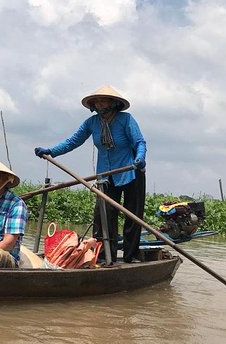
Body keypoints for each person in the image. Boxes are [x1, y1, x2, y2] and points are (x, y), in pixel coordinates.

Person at [34, 85, 146, 264]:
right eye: (97, 101)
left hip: (131, 170)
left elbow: (139, 142)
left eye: (104, 100)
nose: (100, 104)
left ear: (113, 103)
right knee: (103, 215)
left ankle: (130, 255)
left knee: (133, 215)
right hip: (105, 175)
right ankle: (103, 255)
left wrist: (140, 157)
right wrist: (50, 151)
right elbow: (72, 142)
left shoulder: (126, 120)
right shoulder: (91, 123)